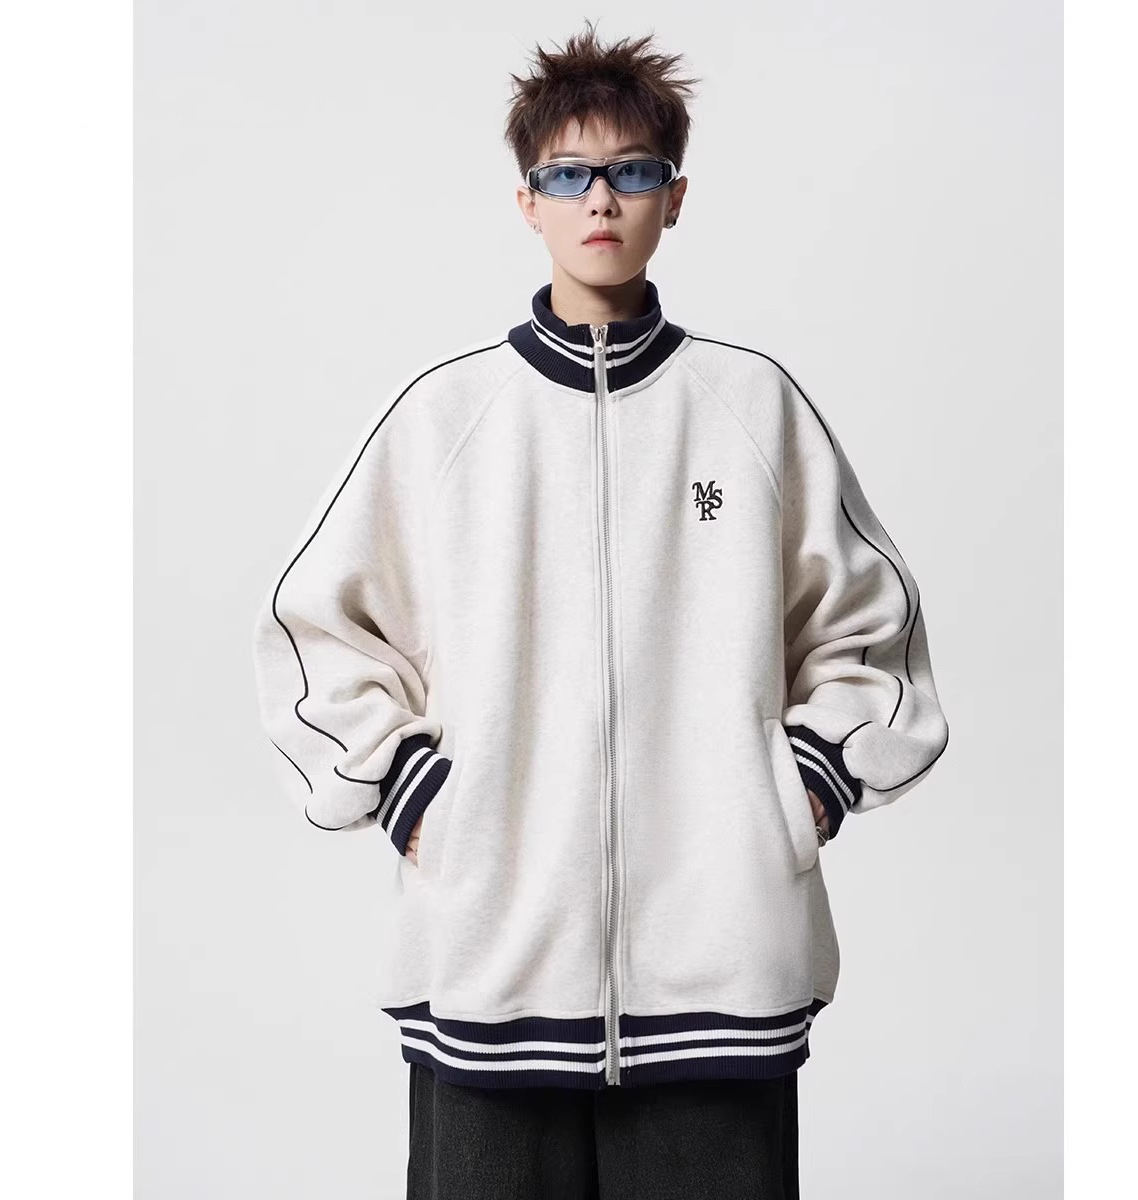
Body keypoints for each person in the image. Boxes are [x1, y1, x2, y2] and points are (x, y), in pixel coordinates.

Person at [251, 18, 949, 1199]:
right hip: (490, 962)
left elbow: (871, 632)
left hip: (722, 963)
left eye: (632, 171)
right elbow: (311, 629)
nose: (602, 200)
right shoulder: (445, 419)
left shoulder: (753, 408)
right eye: (569, 175)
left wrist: (802, 788)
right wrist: (413, 795)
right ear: (526, 200)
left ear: (675, 196)